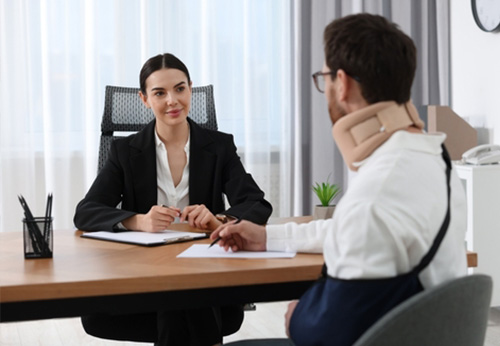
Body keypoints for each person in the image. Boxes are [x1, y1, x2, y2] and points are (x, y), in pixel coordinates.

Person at [213, 13, 467, 346]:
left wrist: (298, 316)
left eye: (325, 77)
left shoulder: (379, 189)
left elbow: (330, 331)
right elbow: (349, 230)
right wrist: (266, 236)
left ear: (342, 82)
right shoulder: (436, 160)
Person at [74, 53, 272, 346]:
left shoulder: (219, 146)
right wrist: (138, 221)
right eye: (159, 93)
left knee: (182, 295)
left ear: (191, 88)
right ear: (144, 99)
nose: (172, 100)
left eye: (180, 88)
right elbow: (86, 212)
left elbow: (256, 203)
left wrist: (220, 220)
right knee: (180, 298)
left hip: (205, 269)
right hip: (145, 274)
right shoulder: (124, 151)